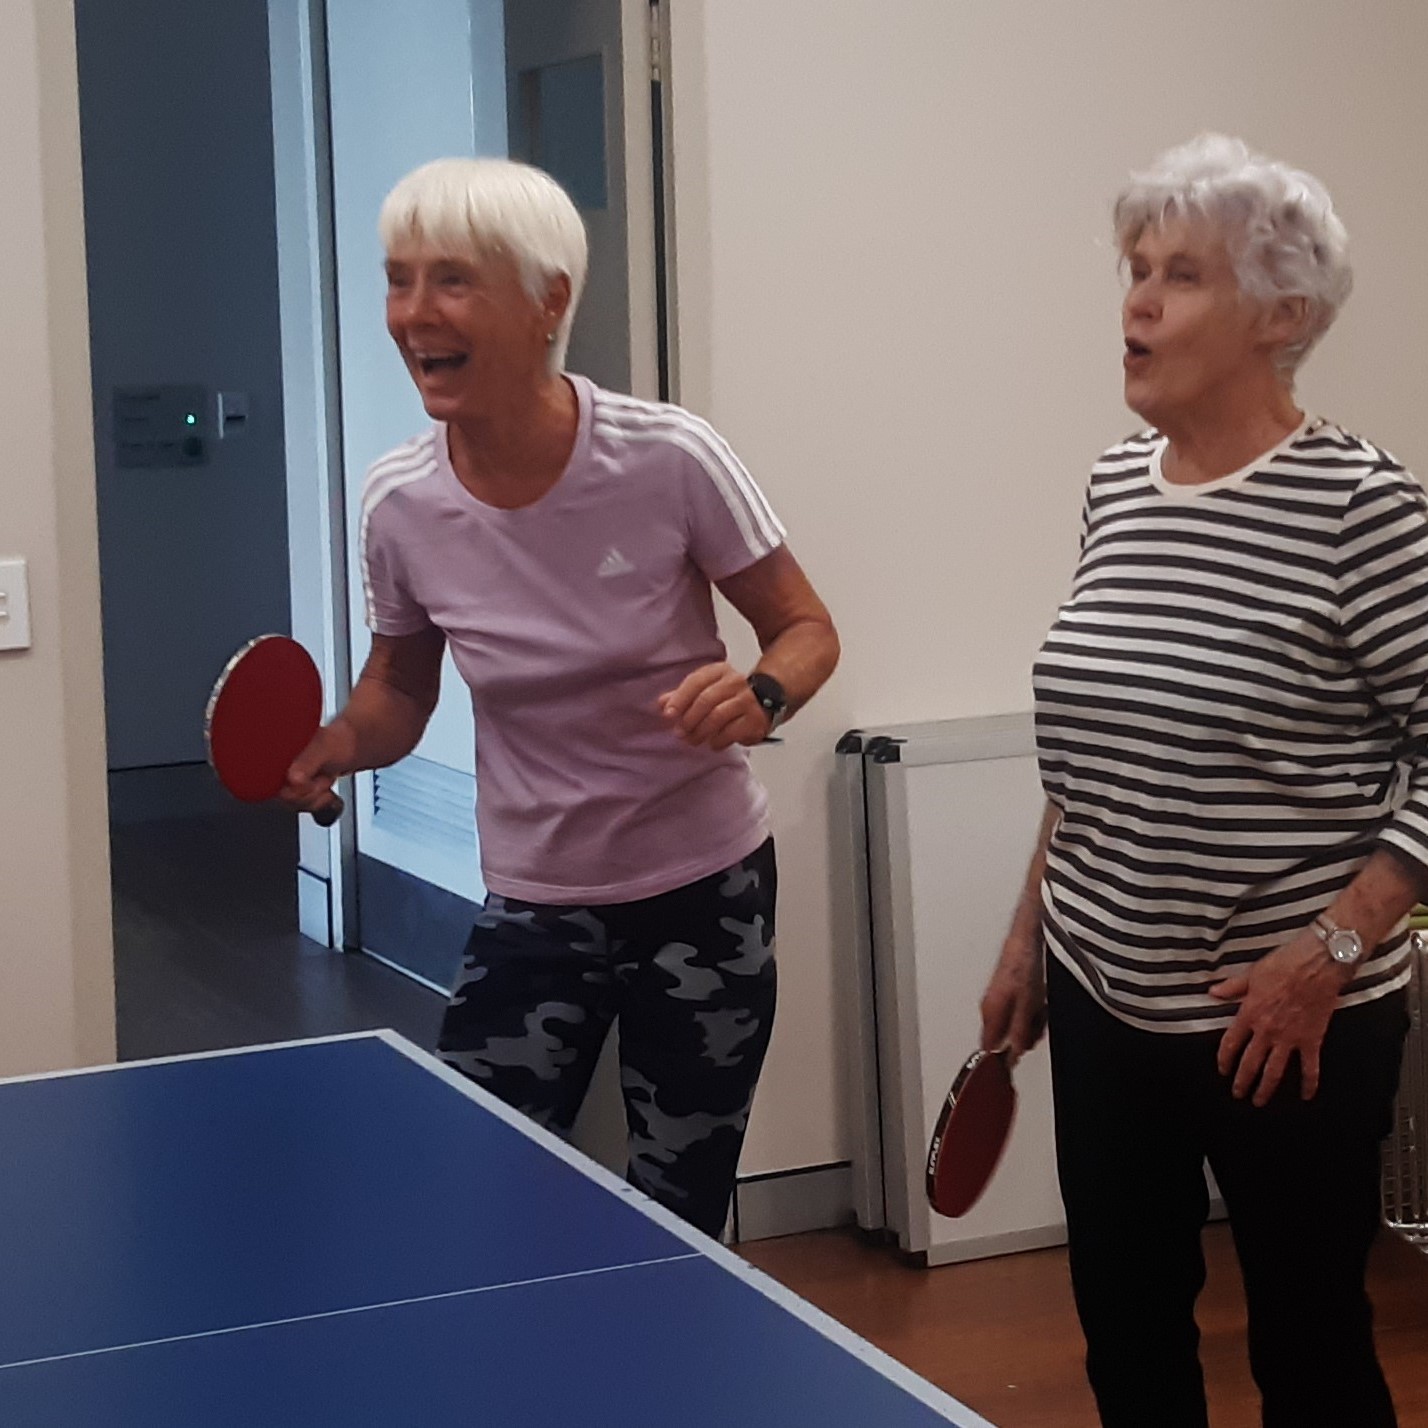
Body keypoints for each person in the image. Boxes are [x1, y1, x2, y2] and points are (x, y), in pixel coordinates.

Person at [282, 157, 839, 1238]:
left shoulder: (670, 457)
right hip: (536, 900)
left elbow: (806, 629)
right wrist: (338, 744)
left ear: (549, 303)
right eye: (399, 281)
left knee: (681, 1204)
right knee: (482, 1185)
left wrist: (763, 693)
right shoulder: (400, 502)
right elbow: (400, 682)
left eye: (451, 281)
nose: (412, 316)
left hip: (703, 889)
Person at [981, 134, 1422, 1428]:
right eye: (1133, 268)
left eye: (1179, 274)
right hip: (1104, 997)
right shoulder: (1121, 485)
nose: (1136, 302)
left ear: (1282, 317)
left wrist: (1331, 950)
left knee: (1310, 1350)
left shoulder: (1361, 509)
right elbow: (1095, 755)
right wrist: (1027, 940)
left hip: (1285, 1023)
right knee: (1126, 1332)